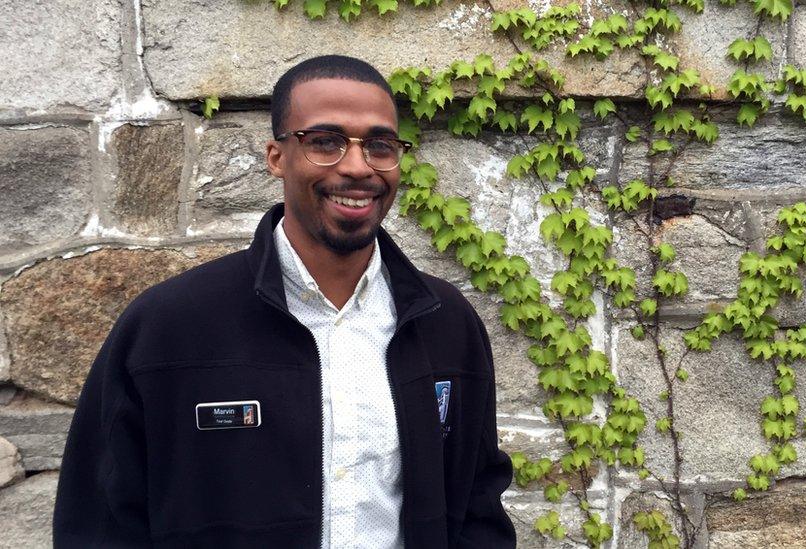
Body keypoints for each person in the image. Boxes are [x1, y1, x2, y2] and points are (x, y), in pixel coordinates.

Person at [53, 54, 516, 548]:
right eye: (325, 142)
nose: (358, 167)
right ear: (277, 156)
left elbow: (476, 505)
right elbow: (100, 521)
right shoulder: (168, 327)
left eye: (380, 145)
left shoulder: (445, 323)